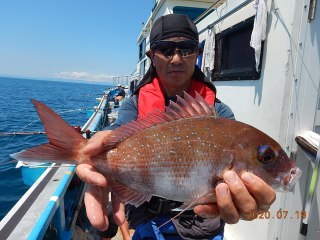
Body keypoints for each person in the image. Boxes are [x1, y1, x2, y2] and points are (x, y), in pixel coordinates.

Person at [76, 14, 276, 239]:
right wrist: (94, 156)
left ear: (197, 53)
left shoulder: (220, 115)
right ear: (152, 56)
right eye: (166, 49)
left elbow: (234, 190)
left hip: (202, 230)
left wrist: (246, 205)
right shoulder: (133, 105)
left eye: (187, 48)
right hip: (147, 224)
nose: (177, 58)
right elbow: (118, 132)